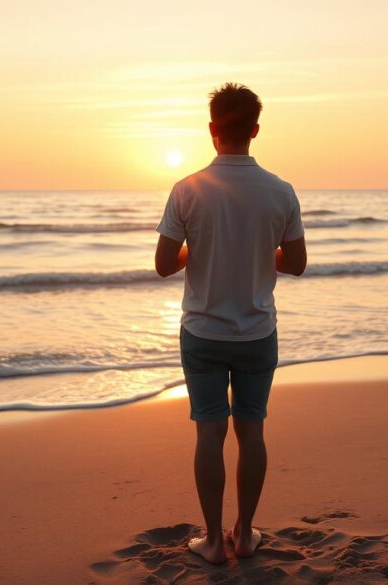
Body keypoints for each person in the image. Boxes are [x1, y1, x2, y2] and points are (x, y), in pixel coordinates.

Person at [154, 82, 308, 564]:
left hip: (202, 331)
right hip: (258, 331)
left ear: (212, 129)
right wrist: (259, 250)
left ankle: (214, 541)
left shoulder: (187, 189)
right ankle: (245, 534)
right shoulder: (280, 191)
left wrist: (199, 246)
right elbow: (297, 262)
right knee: (252, 431)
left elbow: (163, 263)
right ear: (255, 130)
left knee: (208, 433)